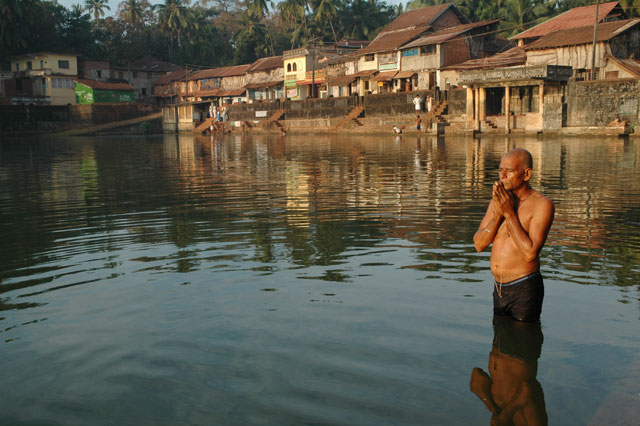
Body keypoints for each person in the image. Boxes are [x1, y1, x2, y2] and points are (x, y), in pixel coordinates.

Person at [473, 148, 555, 322]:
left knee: (522, 345)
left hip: (524, 287)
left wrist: (510, 213)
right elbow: (479, 244)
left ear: (526, 174)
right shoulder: (498, 201)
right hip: (499, 288)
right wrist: (499, 213)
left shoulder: (542, 205)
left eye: (509, 171)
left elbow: (530, 253)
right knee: (497, 346)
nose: (502, 176)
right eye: (500, 170)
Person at [470, 315, 547, 426]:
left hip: (500, 343)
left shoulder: (498, 408)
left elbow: (476, 378)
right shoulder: (522, 420)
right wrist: (503, 418)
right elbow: (526, 391)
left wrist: (495, 411)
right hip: (520, 349)